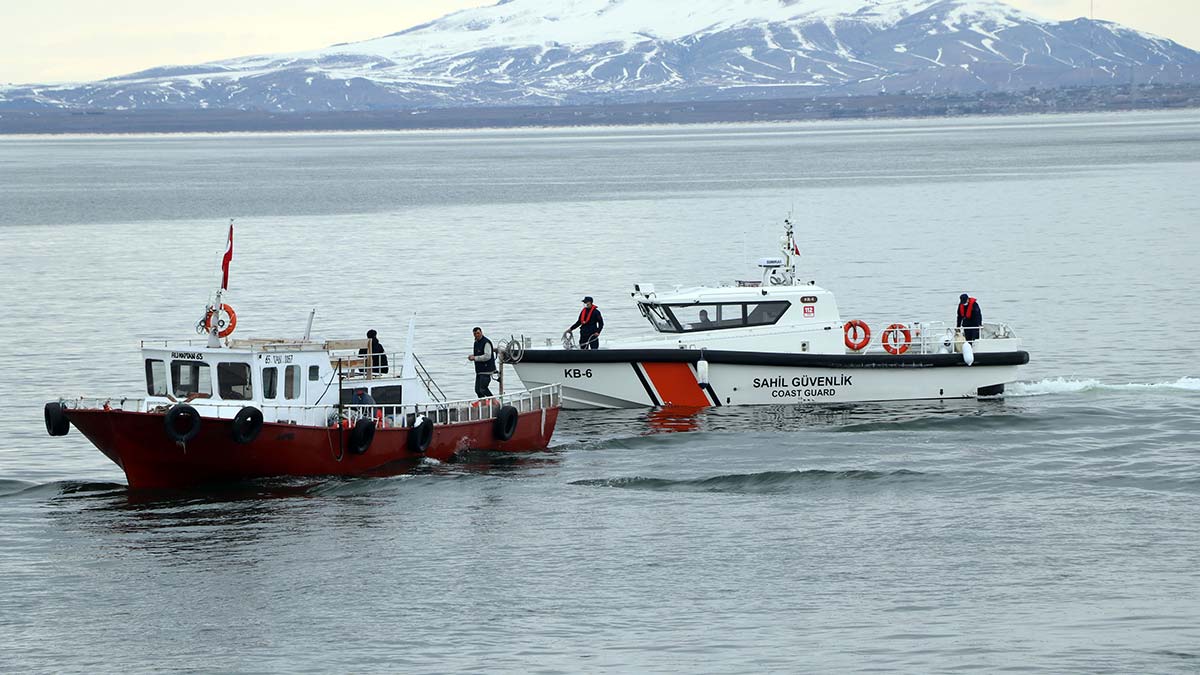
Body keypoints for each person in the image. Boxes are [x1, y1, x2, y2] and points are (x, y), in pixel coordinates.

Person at [468, 326, 496, 398]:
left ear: (481, 333)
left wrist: (475, 358)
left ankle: (494, 401)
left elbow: (487, 356)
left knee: (483, 389)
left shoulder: (486, 342)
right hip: (479, 370)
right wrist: (473, 356)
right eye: (475, 334)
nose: (477, 335)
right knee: (477, 390)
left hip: (487, 370)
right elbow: (479, 353)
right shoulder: (476, 342)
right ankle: (483, 404)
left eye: (478, 333)